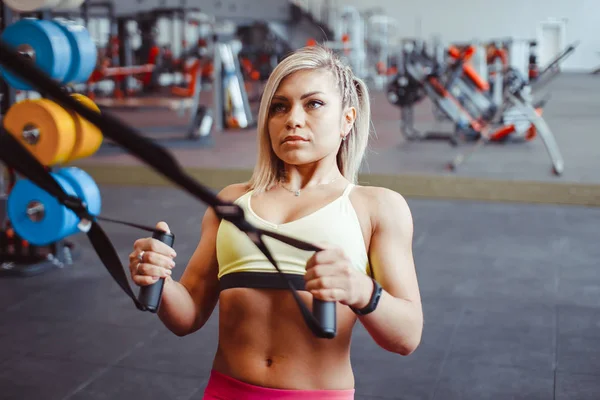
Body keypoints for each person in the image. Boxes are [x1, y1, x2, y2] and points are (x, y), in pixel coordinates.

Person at [129, 45, 423, 399]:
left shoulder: (376, 207)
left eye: (313, 104)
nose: (293, 119)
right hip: (224, 391)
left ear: (348, 119)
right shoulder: (231, 201)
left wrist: (360, 290)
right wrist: (158, 279)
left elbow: (407, 338)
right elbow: (188, 315)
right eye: (279, 107)